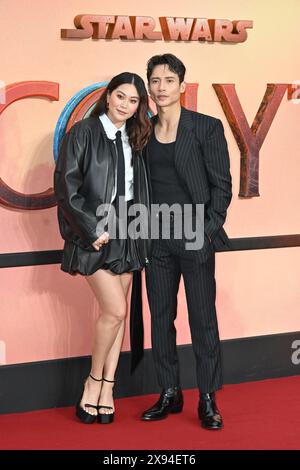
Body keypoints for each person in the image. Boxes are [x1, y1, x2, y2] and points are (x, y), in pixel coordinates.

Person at [54, 72, 151, 424]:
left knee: (118, 313)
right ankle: (92, 381)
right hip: (95, 233)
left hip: (128, 233)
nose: (125, 105)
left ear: (140, 106)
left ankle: (108, 387)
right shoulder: (84, 132)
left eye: (134, 100)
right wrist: (91, 229)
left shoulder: (137, 137)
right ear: (108, 96)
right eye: (120, 96)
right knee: (115, 312)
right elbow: (66, 188)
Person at [141, 54, 232, 430]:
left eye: (168, 80)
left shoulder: (205, 128)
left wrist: (206, 232)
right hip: (155, 237)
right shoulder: (141, 130)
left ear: (182, 85)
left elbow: (221, 187)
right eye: (155, 80)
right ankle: (169, 392)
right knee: (160, 318)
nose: (161, 87)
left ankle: (207, 396)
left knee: (202, 318)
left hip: (194, 235)